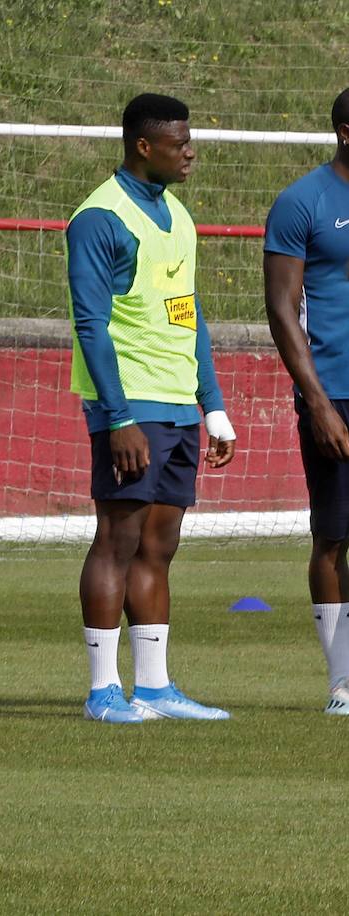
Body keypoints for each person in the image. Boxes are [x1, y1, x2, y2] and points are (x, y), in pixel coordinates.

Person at [67, 93, 237, 725]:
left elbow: (189, 316)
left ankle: (157, 686)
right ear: (144, 146)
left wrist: (213, 406)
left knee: (160, 546)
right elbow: (90, 324)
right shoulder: (99, 219)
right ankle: (103, 689)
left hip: (178, 406)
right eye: (179, 142)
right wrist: (117, 418)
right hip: (130, 405)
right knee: (117, 539)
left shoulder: (179, 215)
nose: (190, 151)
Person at [263, 87, 349, 717]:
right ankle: (343, 682)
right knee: (335, 536)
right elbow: (281, 307)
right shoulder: (302, 202)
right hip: (337, 391)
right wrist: (315, 401)